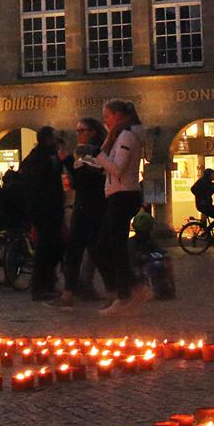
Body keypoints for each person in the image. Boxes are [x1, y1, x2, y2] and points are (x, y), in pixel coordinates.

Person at [92, 99, 149, 314]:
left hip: (124, 196)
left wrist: (98, 154)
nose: (105, 121)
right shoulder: (122, 135)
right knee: (108, 246)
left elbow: (117, 169)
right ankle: (128, 289)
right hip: (120, 195)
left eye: (107, 116)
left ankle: (125, 292)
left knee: (110, 247)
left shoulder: (126, 136)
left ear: (118, 115)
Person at [57, 117, 107, 308]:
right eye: (77, 130)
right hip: (85, 206)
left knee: (94, 252)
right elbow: (81, 181)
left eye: (81, 130)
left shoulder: (93, 152)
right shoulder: (86, 152)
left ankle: (118, 292)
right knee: (81, 251)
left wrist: (68, 161)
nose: (77, 134)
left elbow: (86, 180)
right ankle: (70, 293)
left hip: (91, 207)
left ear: (92, 132)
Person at [20, 127, 67, 300]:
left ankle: (47, 282)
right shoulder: (44, 158)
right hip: (46, 209)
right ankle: (42, 286)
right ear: (48, 140)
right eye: (54, 138)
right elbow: (43, 185)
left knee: (53, 246)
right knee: (47, 248)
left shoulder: (36, 157)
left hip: (45, 208)